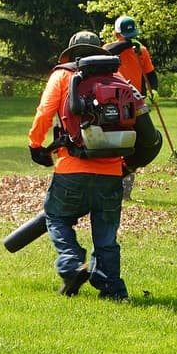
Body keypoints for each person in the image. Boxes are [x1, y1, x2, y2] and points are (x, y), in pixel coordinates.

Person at [28, 30, 136, 299]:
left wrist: (35, 144)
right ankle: (112, 288)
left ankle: (72, 262)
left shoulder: (62, 75)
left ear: (71, 52)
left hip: (71, 167)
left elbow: (45, 112)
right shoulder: (117, 77)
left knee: (56, 217)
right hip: (112, 170)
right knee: (106, 235)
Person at [105, 15, 158, 200]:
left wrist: (155, 90)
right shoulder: (109, 50)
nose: (128, 39)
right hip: (115, 103)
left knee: (136, 143)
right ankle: (111, 182)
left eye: (131, 36)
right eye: (124, 36)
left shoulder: (141, 51)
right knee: (120, 142)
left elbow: (151, 74)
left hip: (136, 103)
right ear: (116, 34)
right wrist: (127, 45)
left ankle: (125, 189)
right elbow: (107, 51)